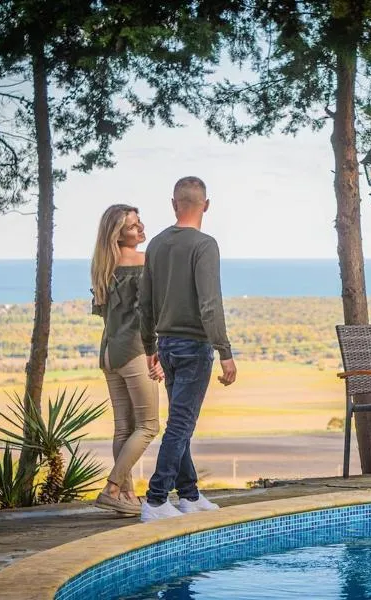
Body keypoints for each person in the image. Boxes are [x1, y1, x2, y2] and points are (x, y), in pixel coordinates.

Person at [139, 176, 237, 523]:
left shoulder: (156, 244)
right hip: (194, 346)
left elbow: (145, 302)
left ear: (174, 204)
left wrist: (149, 345)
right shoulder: (204, 245)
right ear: (206, 205)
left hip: (166, 344)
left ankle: (189, 495)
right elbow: (210, 304)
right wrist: (225, 351)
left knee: (180, 422)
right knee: (181, 423)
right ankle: (155, 499)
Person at [91, 204, 162, 516]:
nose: (140, 228)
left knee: (124, 428)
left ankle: (127, 497)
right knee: (148, 426)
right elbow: (151, 312)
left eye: (139, 222)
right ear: (118, 235)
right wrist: (155, 351)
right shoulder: (143, 262)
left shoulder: (103, 266)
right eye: (132, 226)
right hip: (134, 350)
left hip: (109, 351)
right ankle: (112, 488)